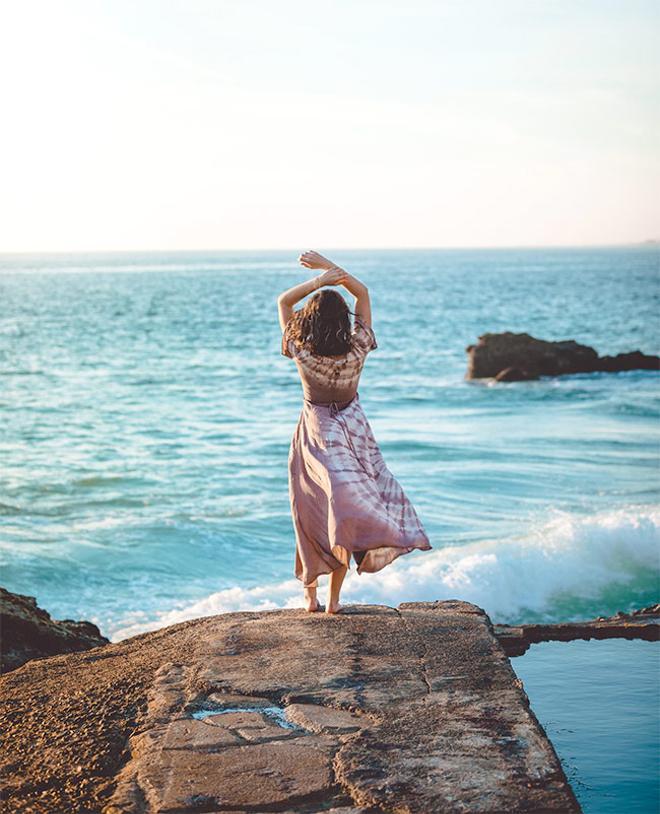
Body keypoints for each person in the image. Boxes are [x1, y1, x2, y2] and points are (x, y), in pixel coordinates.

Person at [277, 250, 432, 615]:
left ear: (309, 322)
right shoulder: (359, 345)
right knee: (344, 516)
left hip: (316, 435)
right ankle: (333, 601)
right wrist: (333, 270)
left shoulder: (300, 349)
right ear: (342, 320)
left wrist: (319, 280)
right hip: (355, 432)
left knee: (311, 511)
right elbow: (362, 294)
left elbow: (284, 301)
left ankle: (311, 596)